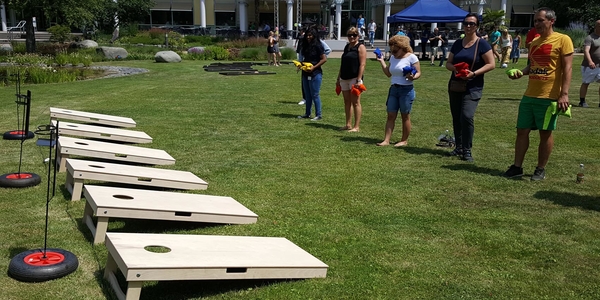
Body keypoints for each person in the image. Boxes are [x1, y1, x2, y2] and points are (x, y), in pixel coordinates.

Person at [503, 7, 573, 181]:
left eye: (540, 20)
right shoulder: (534, 42)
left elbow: (568, 68)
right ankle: (517, 167)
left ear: (551, 21)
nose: (537, 24)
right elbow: (532, 66)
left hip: (549, 96)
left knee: (545, 133)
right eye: (535, 21)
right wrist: (521, 72)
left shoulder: (563, 40)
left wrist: (564, 94)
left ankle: (540, 169)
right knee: (521, 131)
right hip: (529, 95)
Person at [444, 13, 495, 162]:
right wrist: (455, 68)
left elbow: (491, 64)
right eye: (466, 23)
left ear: (477, 26)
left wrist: (473, 73)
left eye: (471, 24)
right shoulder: (458, 43)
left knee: (466, 116)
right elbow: (448, 63)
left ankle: (467, 149)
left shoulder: (482, 44)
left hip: (473, 86)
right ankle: (458, 147)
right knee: (456, 117)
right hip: (455, 84)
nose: (468, 26)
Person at [375, 35, 421, 147]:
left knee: (405, 115)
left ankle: (404, 140)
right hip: (394, 89)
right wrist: (381, 61)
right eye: (391, 50)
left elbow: (418, 73)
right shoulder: (393, 58)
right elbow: (388, 73)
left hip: (406, 90)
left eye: (395, 50)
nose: (393, 52)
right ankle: (386, 140)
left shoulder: (412, 57)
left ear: (403, 47)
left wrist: (412, 77)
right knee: (390, 115)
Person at [336, 27, 367, 132]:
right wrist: (338, 77)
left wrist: (359, 79)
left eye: (354, 35)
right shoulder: (347, 47)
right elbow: (342, 63)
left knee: (356, 102)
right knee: (346, 101)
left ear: (358, 36)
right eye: (350, 35)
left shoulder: (360, 47)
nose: (352, 37)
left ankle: (356, 126)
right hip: (344, 77)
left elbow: (362, 64)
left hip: (354, 78)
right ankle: (348, 124)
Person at [297, 28, 327, 121]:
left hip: (315, 73)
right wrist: (300, 65)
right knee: (307, 94)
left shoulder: (318, 46)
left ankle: (318, 114)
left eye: (310, 35)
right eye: (307, 35)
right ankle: (307, 113)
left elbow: (324, 59)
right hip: (305, 72)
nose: (308, 37)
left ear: (314, 36)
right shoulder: (305, 45)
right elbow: (304, 59)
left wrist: (314, 67)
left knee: (315, 94)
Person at [578, 19, 600, 108]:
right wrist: (590, 61)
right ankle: (582, 101)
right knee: (586, 83)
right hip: (589, 66)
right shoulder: (590, 38)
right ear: (596, 27)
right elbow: (586, 51)